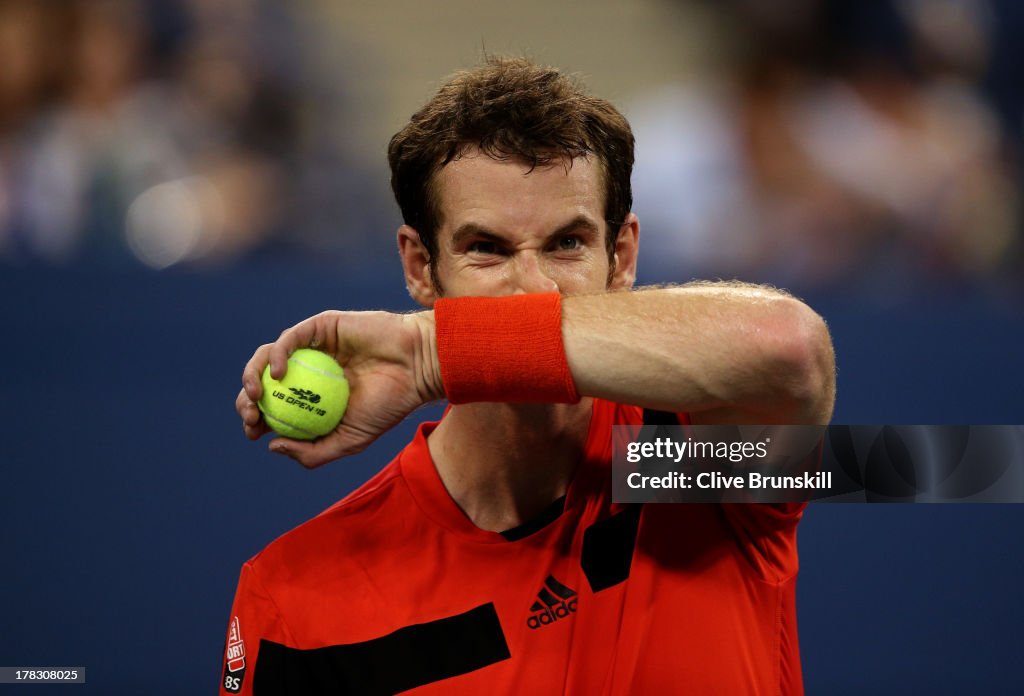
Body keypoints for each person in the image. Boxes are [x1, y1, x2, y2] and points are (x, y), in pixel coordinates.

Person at [223, 56, 835, 695]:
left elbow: (790, 348)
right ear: (420, 267)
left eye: (568, 243)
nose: (535, 288)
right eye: (486, 249)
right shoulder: (294, 593)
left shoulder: (691, 468)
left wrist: (432, 354)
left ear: (620, 256)